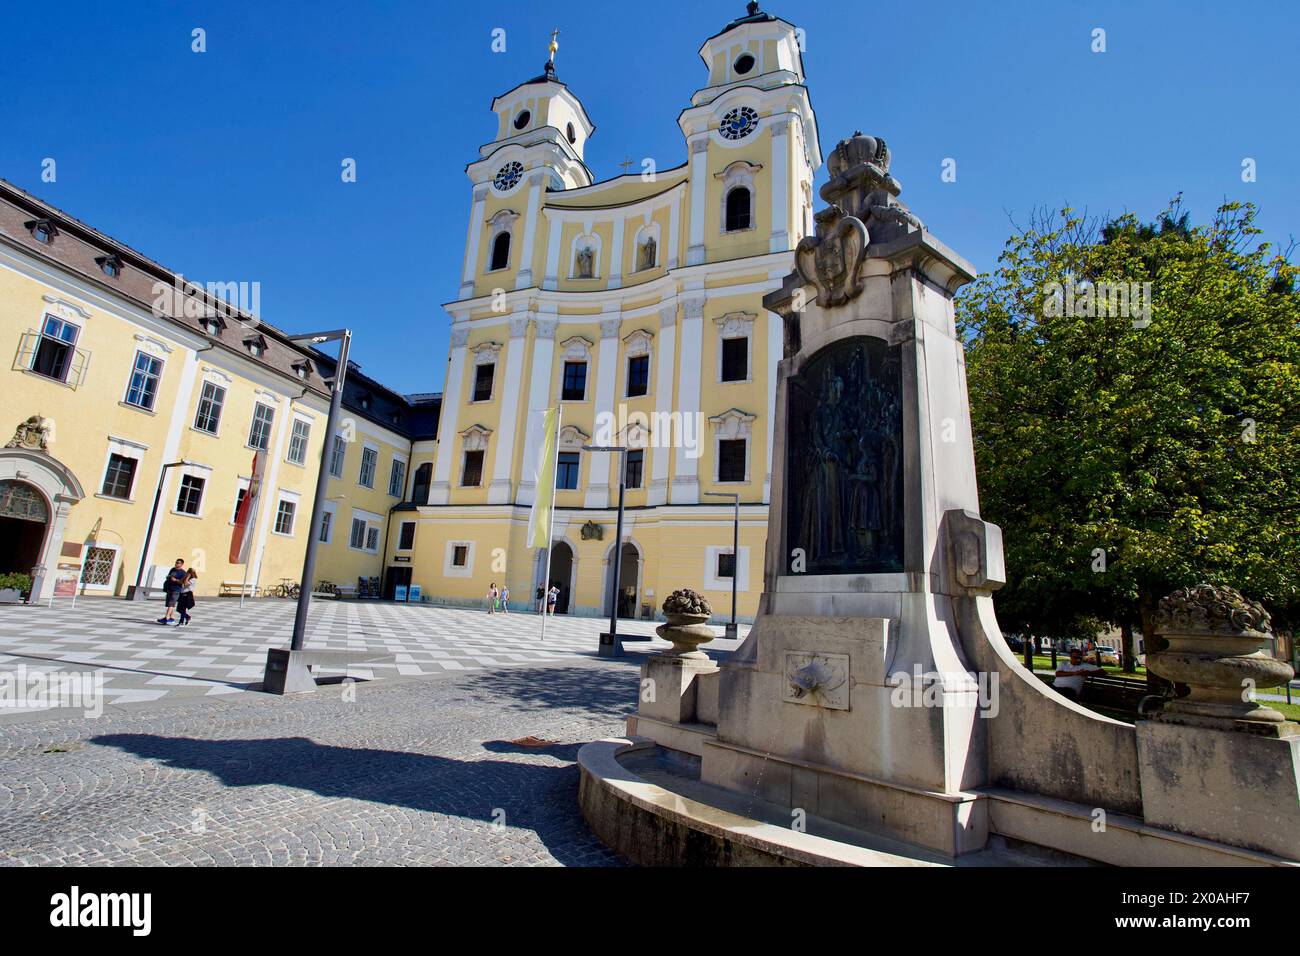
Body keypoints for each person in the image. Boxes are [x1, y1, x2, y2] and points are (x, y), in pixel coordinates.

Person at [157, 558, 186, 625]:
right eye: (176, 562)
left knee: (171, 604)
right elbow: (169, 576)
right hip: (169, 588)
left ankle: (166, 618)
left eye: (178, 563)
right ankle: (171, 618)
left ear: (181, 564)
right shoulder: (173, 569)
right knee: (170, 604)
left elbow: (183, 582)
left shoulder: (183, 573)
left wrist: (175, 580)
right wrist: (168, 577)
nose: (176, 564)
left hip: (176, 590)